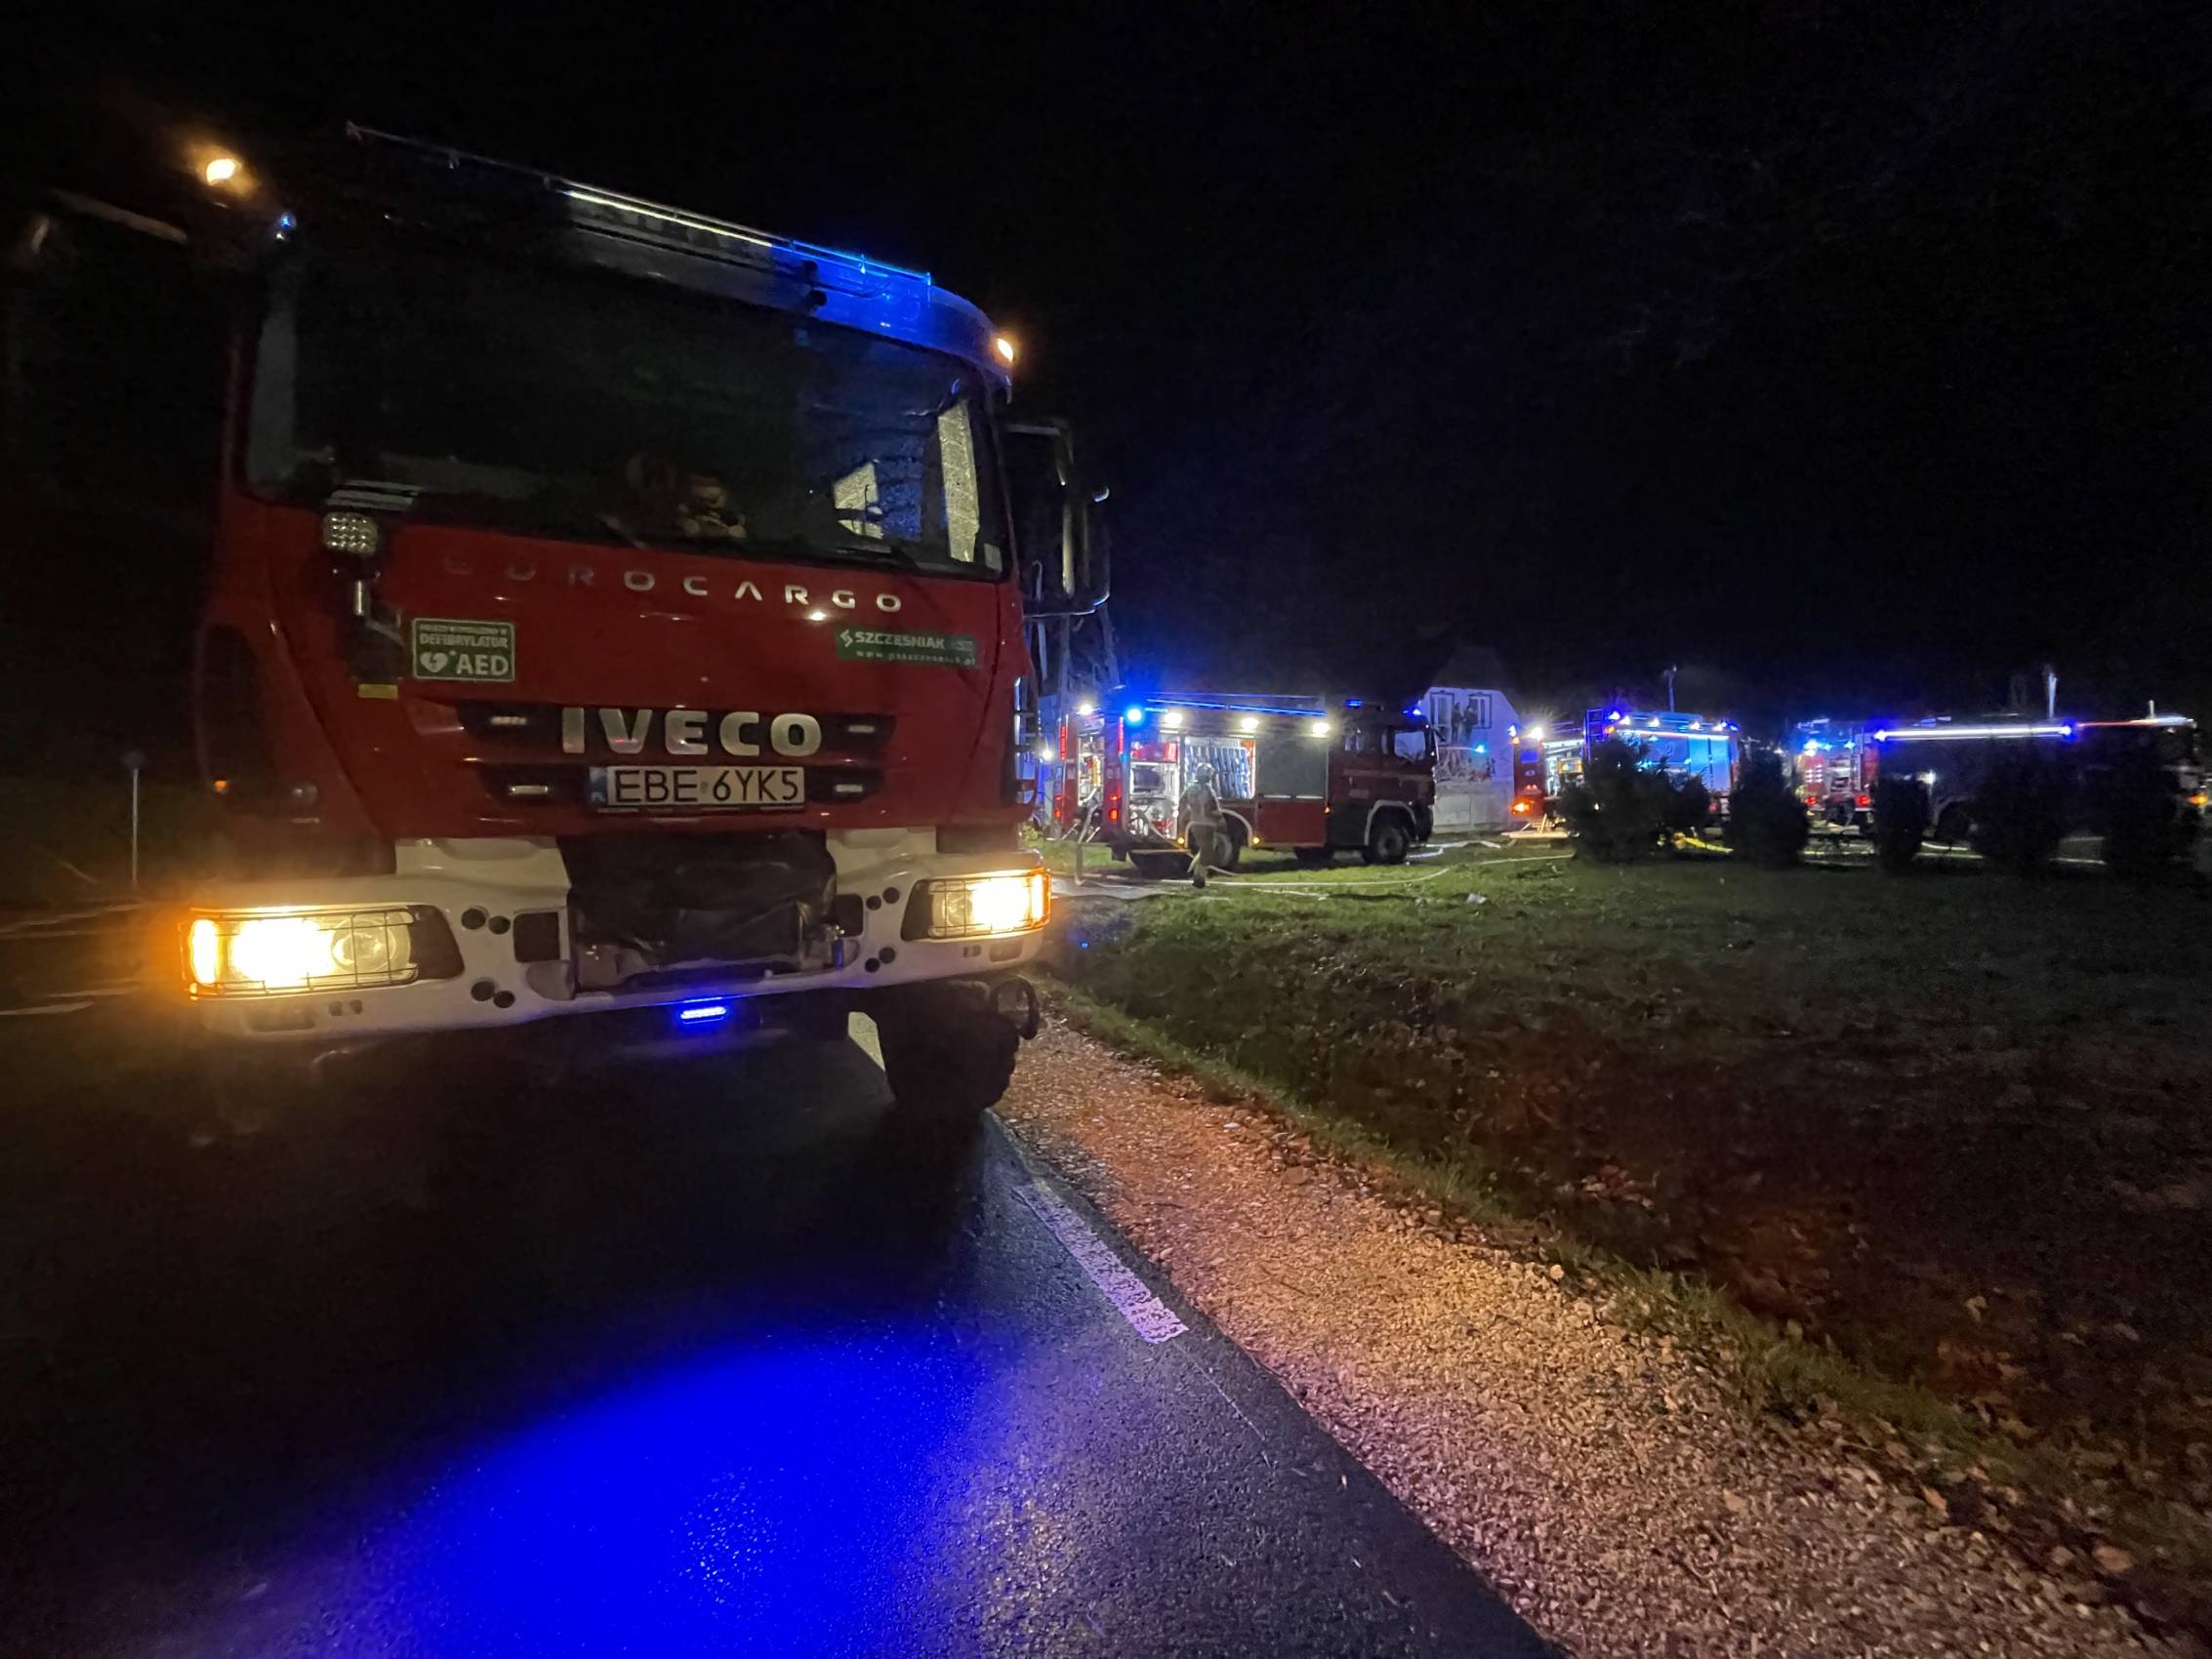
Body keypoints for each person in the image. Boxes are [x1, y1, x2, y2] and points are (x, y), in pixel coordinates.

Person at [1179, 761, 1226, 889]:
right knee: (1207, 852)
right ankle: (1199, 878)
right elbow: (1214, 808)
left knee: (1204, 850)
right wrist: (1221, 821)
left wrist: (1186, 816)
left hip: (1195, 823)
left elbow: (1182, 803)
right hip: (1208, 824)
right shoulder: (1208, 790)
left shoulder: (1190, 789)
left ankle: (1197, 875)